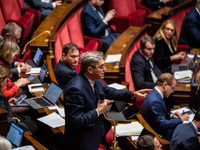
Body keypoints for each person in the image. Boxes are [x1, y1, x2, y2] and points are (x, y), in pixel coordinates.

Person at [64, 51, 151, 150]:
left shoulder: (96, 80)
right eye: (101, 66)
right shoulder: (75, 89)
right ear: (90, 69)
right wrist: (98, 111)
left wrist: (133, 94)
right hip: (82, 142)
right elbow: (76, 120)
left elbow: (111, 92)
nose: (105, 69)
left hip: (95, 134)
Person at [140, 73, 189, 141]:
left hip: (157, 128)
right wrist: (181, 119)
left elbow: (160, 113)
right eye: (172, 88)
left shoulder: (155, 93)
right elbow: (163, 123)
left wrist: (171, 115)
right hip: (158, 135)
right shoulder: (155, 101)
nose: (172, 91)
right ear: (165, 84)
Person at [0, 64, 36, 133]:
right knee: (32, 125)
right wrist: (14, 120)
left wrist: (7, 102)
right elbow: (2, 116)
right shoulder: (0, 96)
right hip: (9, 120)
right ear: (2, 80)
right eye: (6, 80)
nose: (6, 82)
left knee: (28, 119)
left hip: (10, 115)